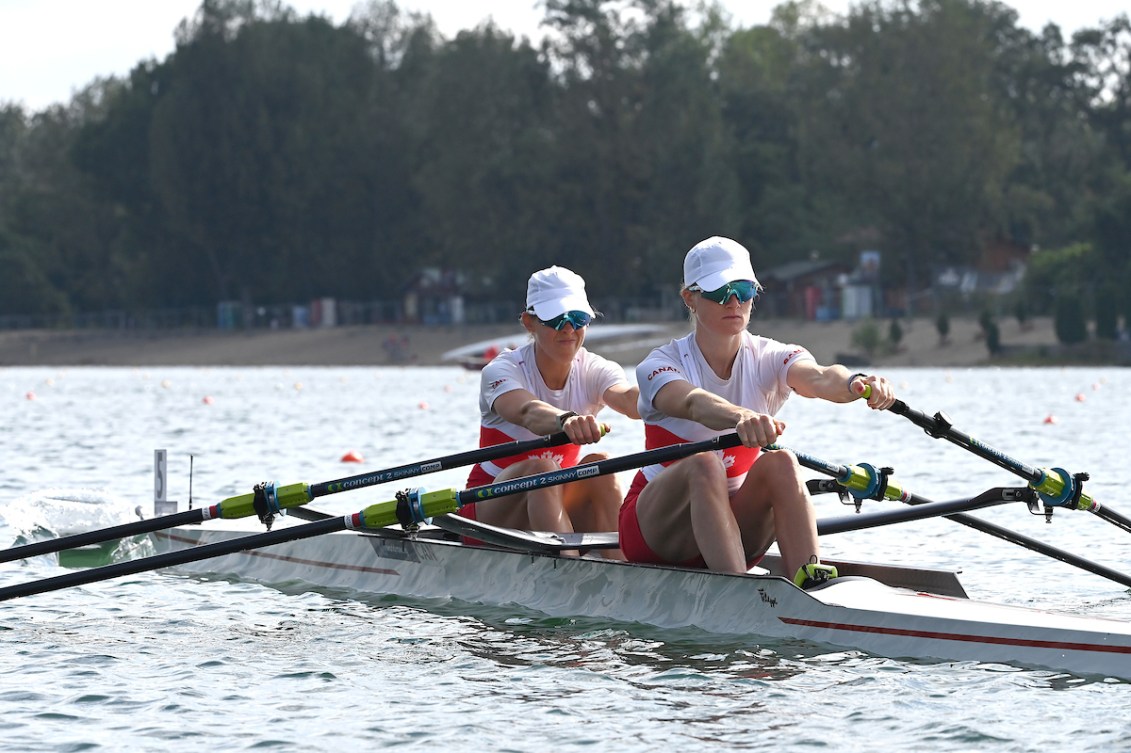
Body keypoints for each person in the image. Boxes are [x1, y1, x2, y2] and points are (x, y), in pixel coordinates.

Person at [619, 236, 896, 586]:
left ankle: (811, 582)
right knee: (705, 463)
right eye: (720, 291)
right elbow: (692, 402)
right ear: (690, 297)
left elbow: (821, 377)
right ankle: (740, 591)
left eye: (744, 290)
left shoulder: (768, 356)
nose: (734, 302)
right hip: (656, 534)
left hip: (734, 526)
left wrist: (856, 383)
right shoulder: (660, 364)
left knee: (782, 462)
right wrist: (740, 417)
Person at [459, 265, 640, 558]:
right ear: (530, 322)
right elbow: (527, 411)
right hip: (489, 508)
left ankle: (624, 574)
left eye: (578, 318)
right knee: (542, 469)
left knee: (601, 464)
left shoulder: (596, 369)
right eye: (557, 319)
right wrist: (565, 420)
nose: (568, 328)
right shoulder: (502, 370)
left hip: (554, 504)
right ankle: (568, 574)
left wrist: (671, 394)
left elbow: (629, 400)